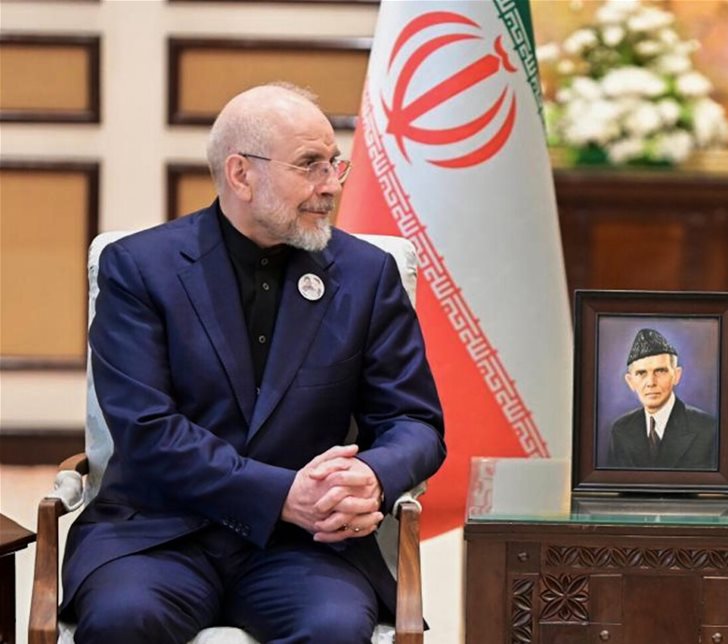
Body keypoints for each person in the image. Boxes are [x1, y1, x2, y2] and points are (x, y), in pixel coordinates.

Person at [61, 83, 446, 643]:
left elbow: (414, 421)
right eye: (310, 165)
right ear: (241, 174)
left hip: (306, 546)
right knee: (124, 619)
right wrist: (283, 494)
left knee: (334, 628)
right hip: (159, 532)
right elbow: (146, 429)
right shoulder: (140, 268)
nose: (332, 185)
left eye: (334, 164)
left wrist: (372, 475)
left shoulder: (365, 274)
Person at [606, 328, 718, 470]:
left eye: (660, 371)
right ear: (630, 381)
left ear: (676, 375)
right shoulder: (620, 430)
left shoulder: (707, 429)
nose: (651, 382)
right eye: (641, 373)